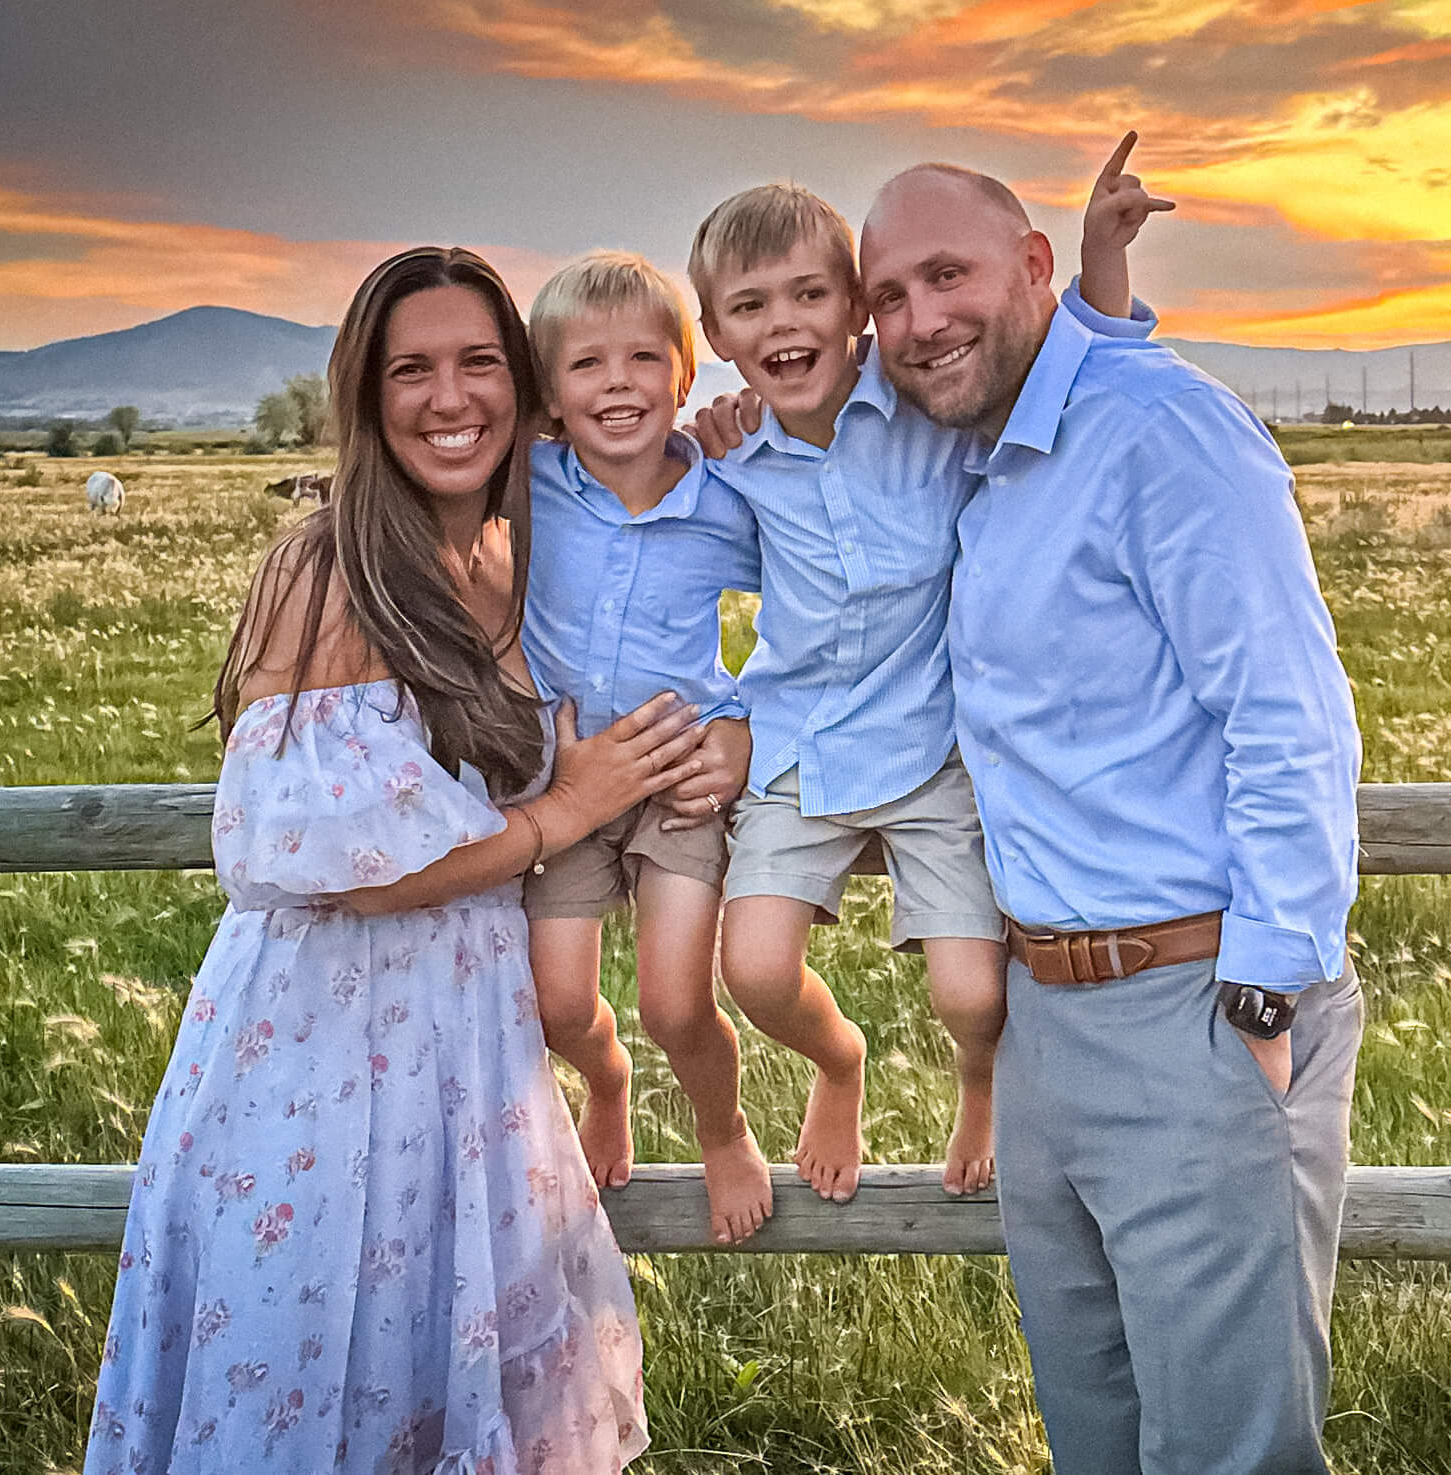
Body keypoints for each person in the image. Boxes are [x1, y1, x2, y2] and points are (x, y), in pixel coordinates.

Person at [85, 246, 707, 1474]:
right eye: (410, 369)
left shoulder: (521, 548)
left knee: (448, 1393)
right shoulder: (328, 568)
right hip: (318, 1065)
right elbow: (326, 856)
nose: (450, 396)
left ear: (526, 390)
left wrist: (724, 425)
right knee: (312, 1394)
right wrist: (560, 813)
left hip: (468, 1061)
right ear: (366, 399)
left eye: (481, 363)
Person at [859, 163, 1365, 1475]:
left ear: (1033, 267)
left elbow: (1286, 717)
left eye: (946, 275)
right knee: (1096, 1439)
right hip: (1044, 1023)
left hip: (1192, 1003)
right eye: (889, 296)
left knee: (1225, 1450)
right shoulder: (979, 460)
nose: (917, 319)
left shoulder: (1159, 434)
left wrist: (1261, 999)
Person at [684, 138, 1167, 1204]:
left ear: (856, 310)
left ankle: (980, 1082)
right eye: (751, 307)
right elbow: (601, 478)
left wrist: (1098, 258)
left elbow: (1059, 374)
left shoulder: (925, 416)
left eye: (811, 294)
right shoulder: (728, 457)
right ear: (715, 335)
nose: (784, 325)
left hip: (931, 747)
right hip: (799, 747)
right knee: (756, 969)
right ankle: (839, 1062)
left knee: (971, 990)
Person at [517, 249, 774, 1246]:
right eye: (585, 365)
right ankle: (606, 1077)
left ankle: (724, 1130)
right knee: (555, 1003)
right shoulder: (527, 486)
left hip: (678, 779)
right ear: (549, 391)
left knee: (676, 1001)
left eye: (641, 359)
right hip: (563, 780)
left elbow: (812, 610)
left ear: (685, 372)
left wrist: (744, 719)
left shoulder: (727, 498)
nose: (616, 384)